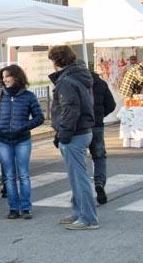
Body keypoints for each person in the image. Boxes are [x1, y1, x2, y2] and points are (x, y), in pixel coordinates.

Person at [0, 65, 44, 219]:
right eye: (3, 77)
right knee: (9, 176)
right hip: (3, 140)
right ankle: (13, 208)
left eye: (7, 76)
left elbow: (39, 117)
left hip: (23, 140)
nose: (5, 79)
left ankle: (26, 207)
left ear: (16, 76)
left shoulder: (28, 96)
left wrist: (24, 126)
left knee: (23, 174)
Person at [48, 45, 99, 230]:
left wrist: (63, 134)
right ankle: (79, 212)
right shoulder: (79, 76)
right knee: (76, 177)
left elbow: (70, 109)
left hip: (74, 133)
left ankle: (88, 218)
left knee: (79, 178)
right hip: (82, 131)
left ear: (56, 61)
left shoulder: (67, 81)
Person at [90, 69, 116, 205]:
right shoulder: (101, 83)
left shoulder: (77, 83)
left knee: (78, 159)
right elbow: (111, 105)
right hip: (98, 126)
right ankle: (99, 183)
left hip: (81, 127)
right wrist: (101, 115)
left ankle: (80, 190)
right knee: (99, 156)